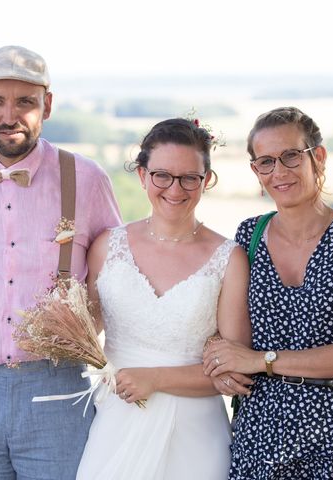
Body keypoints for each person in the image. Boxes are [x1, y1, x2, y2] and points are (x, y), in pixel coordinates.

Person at [0, 45, 121, 479]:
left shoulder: (86, 178)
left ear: (46, 106)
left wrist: (81, 332)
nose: (9, 115)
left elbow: (117, 273)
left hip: (57, 392)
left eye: (25, 102)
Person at [203, 106, 333, 478]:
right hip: (260, 428)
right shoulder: (248, 235)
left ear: (319, 156)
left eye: (290, 156)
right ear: (255, 170)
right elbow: (232, 335)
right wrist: (223, 367)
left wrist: (261, 360)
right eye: (265, 161)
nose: (279, 171)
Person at [76, 118, 252, 479]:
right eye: (162, 175)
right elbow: (84, 335)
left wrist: (155, 378)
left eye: (190, 177)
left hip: (196, 432)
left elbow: (235, 371)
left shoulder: (228, 258)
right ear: (142, 176)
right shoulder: (107, 247)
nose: (176, 189)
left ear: (207, 181)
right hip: (118, 422)